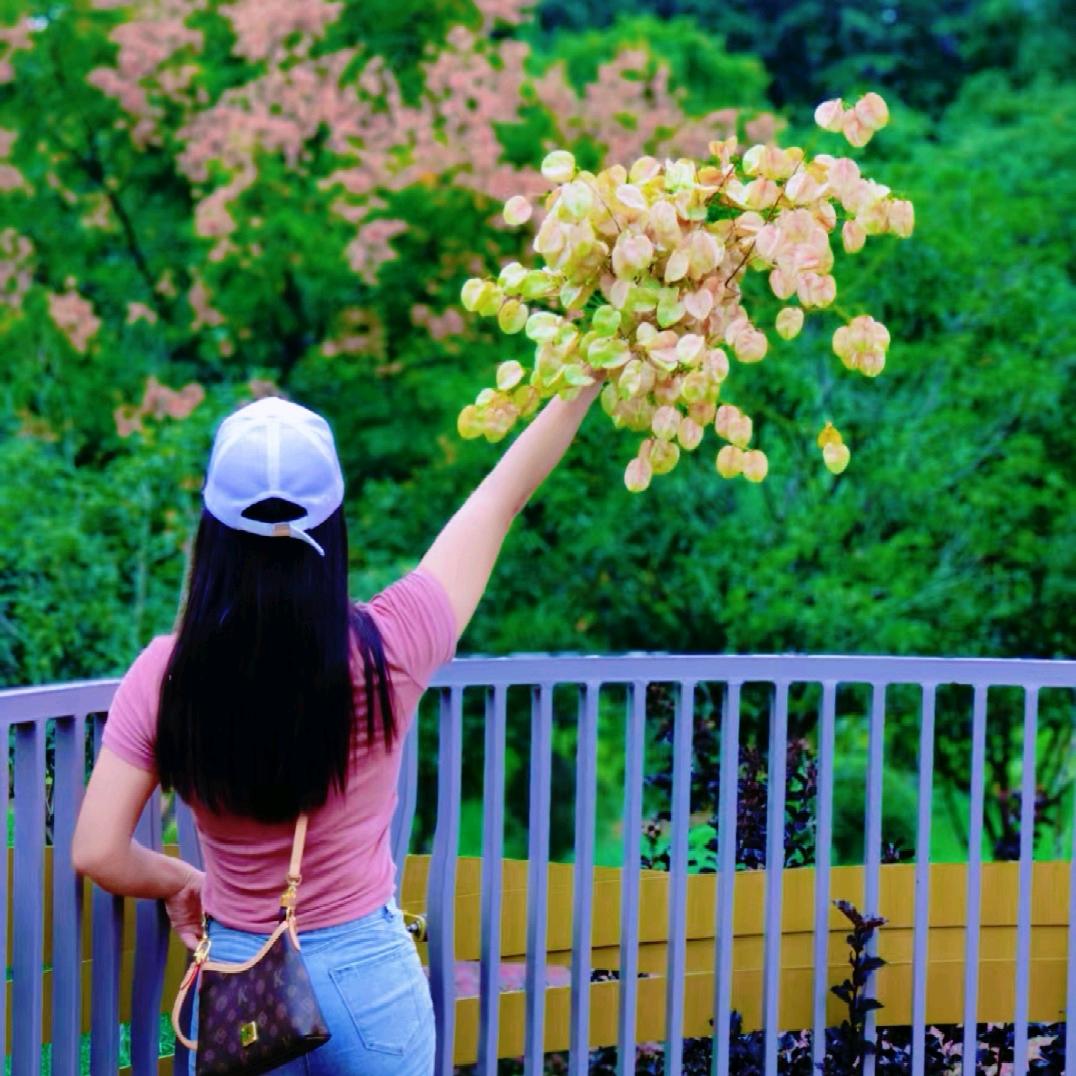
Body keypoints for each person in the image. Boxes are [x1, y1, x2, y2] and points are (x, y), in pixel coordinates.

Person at [71, 382, 602, 1074]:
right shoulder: (389, 646)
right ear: (333, 523)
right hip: (367, 982)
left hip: (240, 980)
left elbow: (95, 851)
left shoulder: (165, 676)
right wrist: (584, 378)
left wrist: (179, 878)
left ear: (213, 530)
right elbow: (500, 499)